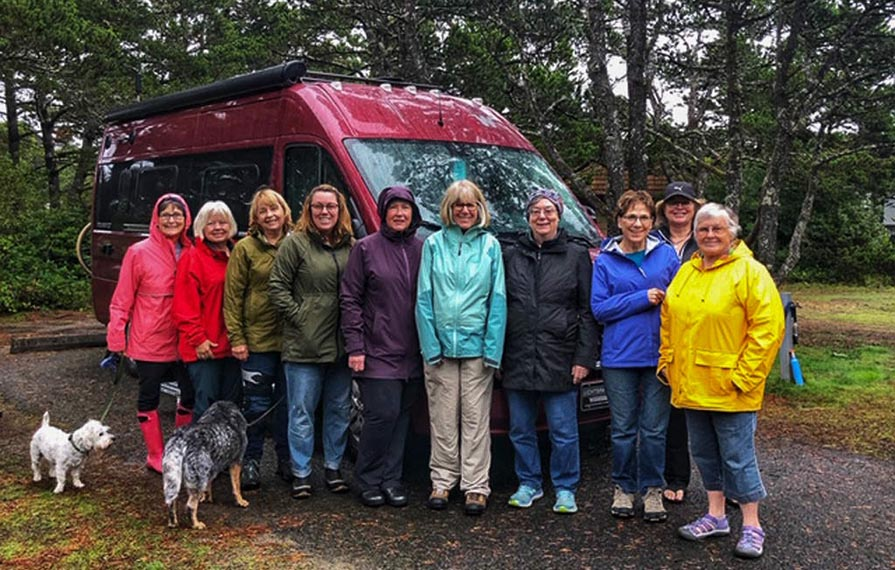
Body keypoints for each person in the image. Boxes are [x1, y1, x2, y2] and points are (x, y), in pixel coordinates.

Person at [658, 203, 784, 559]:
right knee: (705, 454)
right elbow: (669, 318)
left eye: (717, 229)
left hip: (732, 387)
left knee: (738, 457)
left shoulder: (750, 272)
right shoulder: (687, 272)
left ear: (733, 232)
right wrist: (666, 362)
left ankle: (752, 525)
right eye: (703, 230)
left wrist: (745, 377)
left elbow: (768, 330)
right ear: (695, 235)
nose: (710, 235)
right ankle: (716, 516)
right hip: (691, 385)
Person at [501, 188, 599, 515]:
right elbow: (500, 306)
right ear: (527, 217)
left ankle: (565, 487)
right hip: (517, 355)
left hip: (560, 356)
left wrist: (584, 358)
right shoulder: (511, 254)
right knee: (520, 430)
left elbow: (587, 310)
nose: (542, 217)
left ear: (559, 215)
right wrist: (497, 354)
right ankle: (528, 482)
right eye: (535, 211)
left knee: (564, 432)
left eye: (548, 210)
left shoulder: (575, 256)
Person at [415, 179, 507, 516]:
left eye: (470, 205)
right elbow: (424, 297)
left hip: (477, 349)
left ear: (479, 208)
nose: (465, 211)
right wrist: (430, 345)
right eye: (458, 205)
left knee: (475, 420)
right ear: (449, 210)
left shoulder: (490, 246)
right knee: (442, 418)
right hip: (439, 348)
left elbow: (497, 300)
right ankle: (442, 481)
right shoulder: (434, 244)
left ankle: (476, 486)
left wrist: (492, 350)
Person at [591, 190, 680, 522]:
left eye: (644, 217)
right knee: (623, 429)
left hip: (659, 354)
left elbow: (679, 301)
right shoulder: (605, 259)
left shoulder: (667, 256)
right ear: (619, 221)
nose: (637, 223)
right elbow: (600, 309)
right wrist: (642, 297)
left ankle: (653, 489)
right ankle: (624, 488)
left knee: (655, 429)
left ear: (652, 222)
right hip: (619, 357)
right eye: (631, 217)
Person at [340, 186, 424, 508]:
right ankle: (368, 478)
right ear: (383, 212)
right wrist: (356, 346)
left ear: (413, 214)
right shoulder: (365, 249)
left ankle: (392, 479)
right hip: (377, 350)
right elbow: (350, 299)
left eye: (405, 208)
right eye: (394, 208)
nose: (400, 214)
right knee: (382, 415)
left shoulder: (422, 249)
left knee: (402, 417)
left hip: (414, 351)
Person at [269, 184, 354, 500]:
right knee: (301, 412)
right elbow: (277, 287)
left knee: (338, 410)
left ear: (339, 209)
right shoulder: (295, 245)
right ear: (309, 209)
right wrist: (301, 316)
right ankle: (301, 472)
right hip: (304, 345)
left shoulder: (351, 245)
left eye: (330, 206)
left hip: (341, 345)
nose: (325, 212)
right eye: (318, 206)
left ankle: (333, 467)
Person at [107, 194, 195, 473]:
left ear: (186, 219)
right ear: (156, 219)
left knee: (189, 394)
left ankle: (178, 448)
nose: (171, 220)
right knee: (149, 395)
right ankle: (155, 454)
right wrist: (116, 338)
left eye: (177, 215)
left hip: (184, 336)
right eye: (166, 214)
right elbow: (122, 299)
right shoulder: (138, 251)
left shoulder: (193, 249)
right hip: (150, 336)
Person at [223, 187, 293, 491]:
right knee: (255, 406)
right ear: (256, 217)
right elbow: (233, 296)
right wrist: (237, 337)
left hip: (293, 342)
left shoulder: (297, 243)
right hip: (257, 341)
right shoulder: (245, 249)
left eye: (274, 208)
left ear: (284, 211)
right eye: (263, 211)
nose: (270, 215)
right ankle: (250, 462)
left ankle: (287, 461)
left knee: (290, 406)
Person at [652, 181, 703, 504]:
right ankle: (676, 477)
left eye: (685, 202)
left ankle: (729, 484)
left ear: (695, 207)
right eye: (673, 202)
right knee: (672, 413)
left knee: (715, 415)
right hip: (660, 332)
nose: (679, 207)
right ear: (664, 208)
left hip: (701, 334)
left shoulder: (708, 239)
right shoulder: (652, 240)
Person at [173, 201, 242, 422]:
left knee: (232, 405)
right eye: (211, 223)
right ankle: (200, 453)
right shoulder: (192, 257)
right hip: (206, 347)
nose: (218, 227)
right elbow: (183, 307)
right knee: (207, 406)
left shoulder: (238, 252)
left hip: (234, 344)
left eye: (223, 222)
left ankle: (228, 453)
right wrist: (198, 339)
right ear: (201, 227)